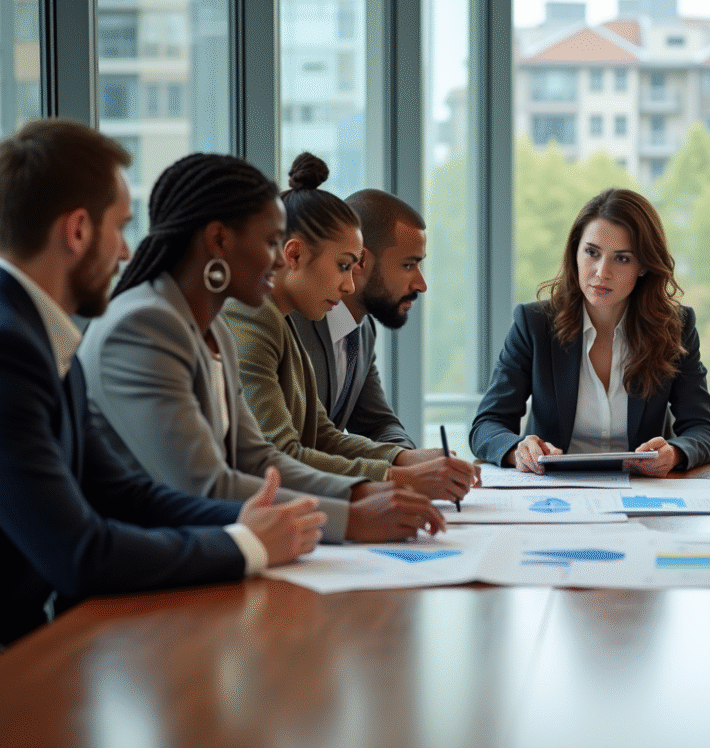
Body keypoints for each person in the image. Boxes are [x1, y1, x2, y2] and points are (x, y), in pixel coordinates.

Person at [0, 119, 326, 645]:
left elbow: (122, 493)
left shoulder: (39, 338)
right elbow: (79, 553)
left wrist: (243, 518)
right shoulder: (11, 349)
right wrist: (245, 542)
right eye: (120, 228)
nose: (127, 253)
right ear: (77, 230)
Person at [79, 151, 445, 544]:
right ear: (219, 240)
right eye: (271, 242)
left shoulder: (213, 331)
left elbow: (258, 459)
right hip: (146, 568)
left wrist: (362, 491)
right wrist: (352, 516)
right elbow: (204, 484)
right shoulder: (144, 327)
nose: (280, 259)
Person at [223, 153, 477, 501]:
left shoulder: (290, 322)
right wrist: (398, 477)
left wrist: (405, 459)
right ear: (294, 256)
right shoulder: (263, 318)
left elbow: (324, 433)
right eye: (344, 265)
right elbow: (280, 453)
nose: (348, 285)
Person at [470, 187, 710, 476]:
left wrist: (675, 453)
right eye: (591, 253)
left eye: (622, 258)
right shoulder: (534, 324)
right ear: (574, 253)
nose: (602, 272)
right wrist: (517, 451)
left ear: (643, 266)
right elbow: (486, 425)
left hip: (641, 491)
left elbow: (704, 430)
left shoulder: (674, 327)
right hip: (553, 493)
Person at [288, 189, 422, 449]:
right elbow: (300, 446)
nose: (421, 284)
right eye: (408, 265)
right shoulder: (290, 323)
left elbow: (379, 424)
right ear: (360, 260)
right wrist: (397, 467)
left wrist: (409, 459)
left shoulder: (362, 330)